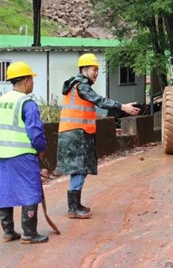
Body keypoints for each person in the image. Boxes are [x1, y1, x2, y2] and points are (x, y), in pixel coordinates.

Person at [56, 53, 140, 219]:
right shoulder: (81, 86)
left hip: (75, 132)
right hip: (76, 133)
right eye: (94, 69)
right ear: (84, 69)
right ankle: (73, 208)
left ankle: (75, 205)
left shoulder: (76, 85)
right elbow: (99, 100)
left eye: (97, 70)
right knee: (80, 168)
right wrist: (122, 107)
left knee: (79, 169)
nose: (96, 73)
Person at [0, 61, 48, 244]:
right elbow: (35, 130)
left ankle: (8, 232)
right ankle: (29, 233)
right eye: (31, 78)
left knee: (5, 190)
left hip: (2, 153)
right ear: (25, 80)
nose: (32, 82)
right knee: (30, 189)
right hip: (23, 154)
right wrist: (41, 148)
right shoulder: (26, 102)